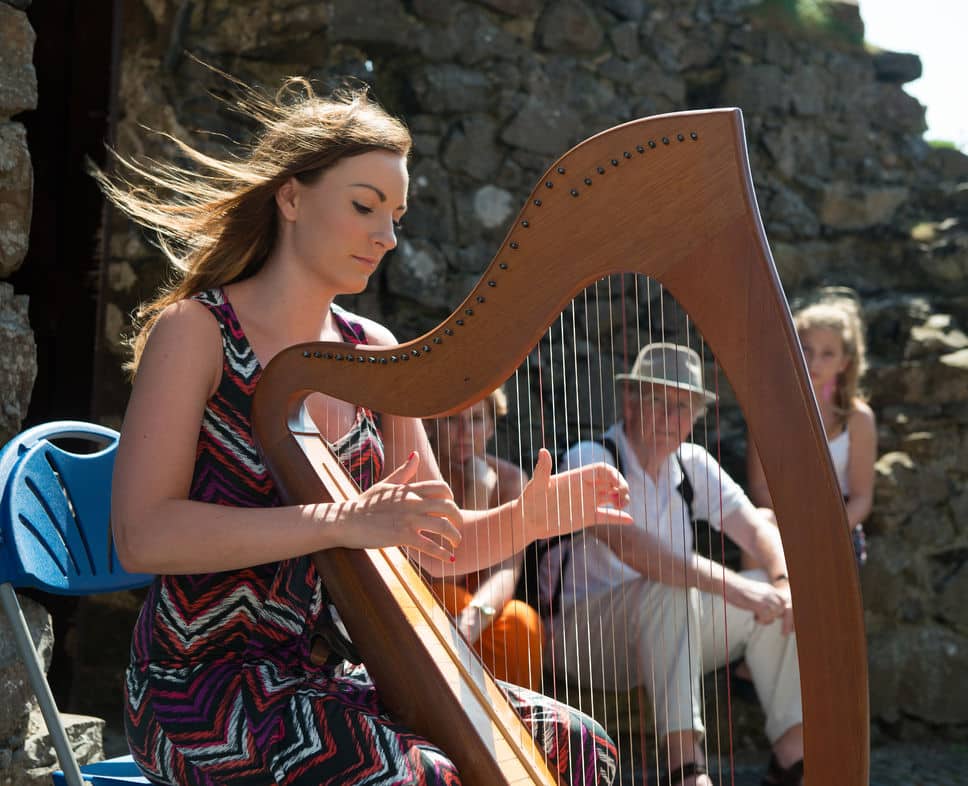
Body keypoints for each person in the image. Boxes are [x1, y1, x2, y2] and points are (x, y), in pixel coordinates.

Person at [98, 77, 635, 786]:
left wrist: (530, 517)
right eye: (363, 206)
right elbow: (144, 536)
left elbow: (436, 546)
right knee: (420, 776)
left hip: (332, 680)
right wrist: (343, 520)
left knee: (578, 746)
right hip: (199, 686)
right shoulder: (196, 332)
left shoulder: (372, 350)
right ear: (291, 198)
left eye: (397, 215)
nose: (386, 236)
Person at [541, 342, 804, 786]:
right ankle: (687, 769)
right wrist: (735, 588)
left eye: (681, 406)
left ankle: (791, 759)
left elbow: (757, 529)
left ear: (696, 415)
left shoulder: (693, 463)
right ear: (629, 402)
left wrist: (782, 582)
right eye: (656, 401)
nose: (668, 417)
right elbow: (634, 550)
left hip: (669, 631)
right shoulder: (591, 458)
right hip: (582, 640)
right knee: (670, 585)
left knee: (772, 593)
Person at [424, 387, 544, 689]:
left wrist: (474, 617)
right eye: (453, 420)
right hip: (438, 596)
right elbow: (446, 576)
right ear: (430, 425)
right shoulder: (421, 474)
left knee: (521, 621)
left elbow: (506, 570)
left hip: (481, 606)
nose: (465, 432)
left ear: (490, 427)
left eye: (476, 420)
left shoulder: (510, 479)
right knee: (450, 600)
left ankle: (513, 729)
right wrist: (477, 498)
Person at [747, 289, 876, 568]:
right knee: (761, 530)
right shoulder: (769, 411)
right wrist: (797, 529)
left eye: (828, 354)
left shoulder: (858, 418)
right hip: (783, 522)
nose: (814, 362)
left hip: (838, 529)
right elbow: (759, 485)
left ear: (845, 363)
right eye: (806, 349)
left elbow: (862, 497)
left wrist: (826, 531)